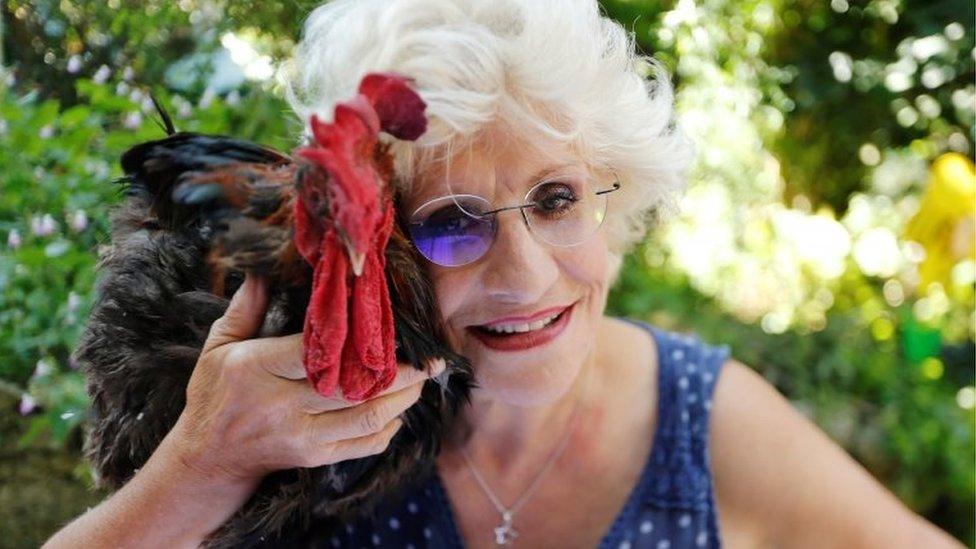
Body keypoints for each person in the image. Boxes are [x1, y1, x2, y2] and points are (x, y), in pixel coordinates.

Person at [45, 0, 965, 547]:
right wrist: (197, 469)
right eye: (452, 222)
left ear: (619, 194)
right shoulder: (290, 416)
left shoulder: (701, 419)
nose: (524, 275)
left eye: (557, 198)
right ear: (385, 249)